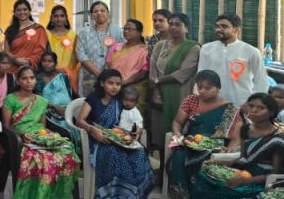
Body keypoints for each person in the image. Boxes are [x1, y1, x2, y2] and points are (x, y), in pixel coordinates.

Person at [181, 93, 283, 199]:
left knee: (224, 194)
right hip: (242, 171)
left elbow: (276, 175)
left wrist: (245, 181)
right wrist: (217, 162)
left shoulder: (278, 138)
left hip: (262, 182)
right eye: (251, 106)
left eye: (260, 108)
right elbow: (243, 157)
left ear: (271, 112)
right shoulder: (246, 130)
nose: (254, 110)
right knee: (202, 179)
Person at [76, 69, 154, 199]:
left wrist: (137, 131)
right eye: (110, 83)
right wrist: (92, 129)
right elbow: (80, 120)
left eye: (118, 84)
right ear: (102, 83)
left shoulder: (122, 100)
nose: (114, 87)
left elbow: (134, 119)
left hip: (119, 139)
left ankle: (133, 197)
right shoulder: (93, 99)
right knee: (115, 155)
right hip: (100, 141)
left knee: (139, 153)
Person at [3, 66, 80, 199]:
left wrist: (50, 134)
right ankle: (34, 198)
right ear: (18, 81)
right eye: (24, 78)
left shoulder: (41, 101)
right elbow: (7, 126)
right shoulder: (11, 99)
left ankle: (56, 194)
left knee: (67, 151)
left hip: (40, 136)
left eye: (31, 78)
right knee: (43, 158)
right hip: (22, 137)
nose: (29, 81)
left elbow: (42, 125)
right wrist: (22, 135)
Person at [165, 70, 241, 199]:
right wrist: (177, 134)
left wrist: (227, 152)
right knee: (178, 156)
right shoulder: (191, 100)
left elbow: (236, 138)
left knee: (205, 162)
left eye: (208, 88)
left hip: (214, 147)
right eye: (199, 87)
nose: (202, 91)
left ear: (218, 88)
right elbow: (177, 122)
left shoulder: (230, 109)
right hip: (190, 142)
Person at [149, 13, 201, 148]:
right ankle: (161, 159)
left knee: (177, 130)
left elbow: (183, 73)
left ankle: (175, 157)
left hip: (180, 94)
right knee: (159, 130)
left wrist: (158, 80)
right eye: (171, 24)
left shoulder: (193, 48)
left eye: (178, 24)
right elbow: (152, 70)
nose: (173, 27)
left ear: (186, 28)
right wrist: (156, 93)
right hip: (159, 95)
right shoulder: (160, 45)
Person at [196, 13, 268, 107]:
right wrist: (198, 98)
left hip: (241, 104)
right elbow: (200, 75)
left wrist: (251, 103)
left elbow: (261, 80)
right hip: (212, 103)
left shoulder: (251, 51)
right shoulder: (206, 48)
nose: (218, 29)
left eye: (224, 26)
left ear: (236, 29)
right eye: (217, 26)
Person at [76, 1, 124, 95]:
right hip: (88, 74)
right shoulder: (84, 32)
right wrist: (97, 72)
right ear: (91, 15)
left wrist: (107, 73)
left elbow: (123, 51)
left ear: (108, 14)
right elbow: (80, 54)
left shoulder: (118, 31)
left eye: (102, 10)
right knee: (88, 102)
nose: (99, 13)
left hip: (111, 76)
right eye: (95, 11)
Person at [107, 19, 150, 115]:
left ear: (139, 32)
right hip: (114, 87)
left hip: (135, 88)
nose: (126, 31)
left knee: (133, 117)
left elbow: (144, 72)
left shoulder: (145, 50)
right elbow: (109, 66)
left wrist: (125, 82)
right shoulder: (116, 47)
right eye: (125, 29)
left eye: (130, 29)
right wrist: (115, 83)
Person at [35, 51, 77, 143]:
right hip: (48, 112)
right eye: (44, 61)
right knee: (64, 130)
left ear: (55, 63)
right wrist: (55, 107)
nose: (47, 64)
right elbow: (38, 98)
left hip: (66, 111)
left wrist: (68, 110)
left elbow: (71, 95)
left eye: (50, 61)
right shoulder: (37, 78)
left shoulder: (63, 77)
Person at [3, 0, 47, 69]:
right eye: (19, 10)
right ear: (15, 13)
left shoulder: (38, 29)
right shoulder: (10, 30)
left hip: (31, 68)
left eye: (25, 9)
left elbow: (41, 50)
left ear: (29, 11)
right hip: (12, 68)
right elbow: (6, 51)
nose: (22, 12)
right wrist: (15, 59)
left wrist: (29, 61)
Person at [47, 5, 79, 94]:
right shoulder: (46, 34)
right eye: (56, 16)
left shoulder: (73, 35)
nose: (59, 19)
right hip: (49, 72)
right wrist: (54, 69)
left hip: (68, 74)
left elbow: (76, 56)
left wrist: (66, 69)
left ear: (66, 18)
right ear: (51, 18)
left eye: (62, 16)